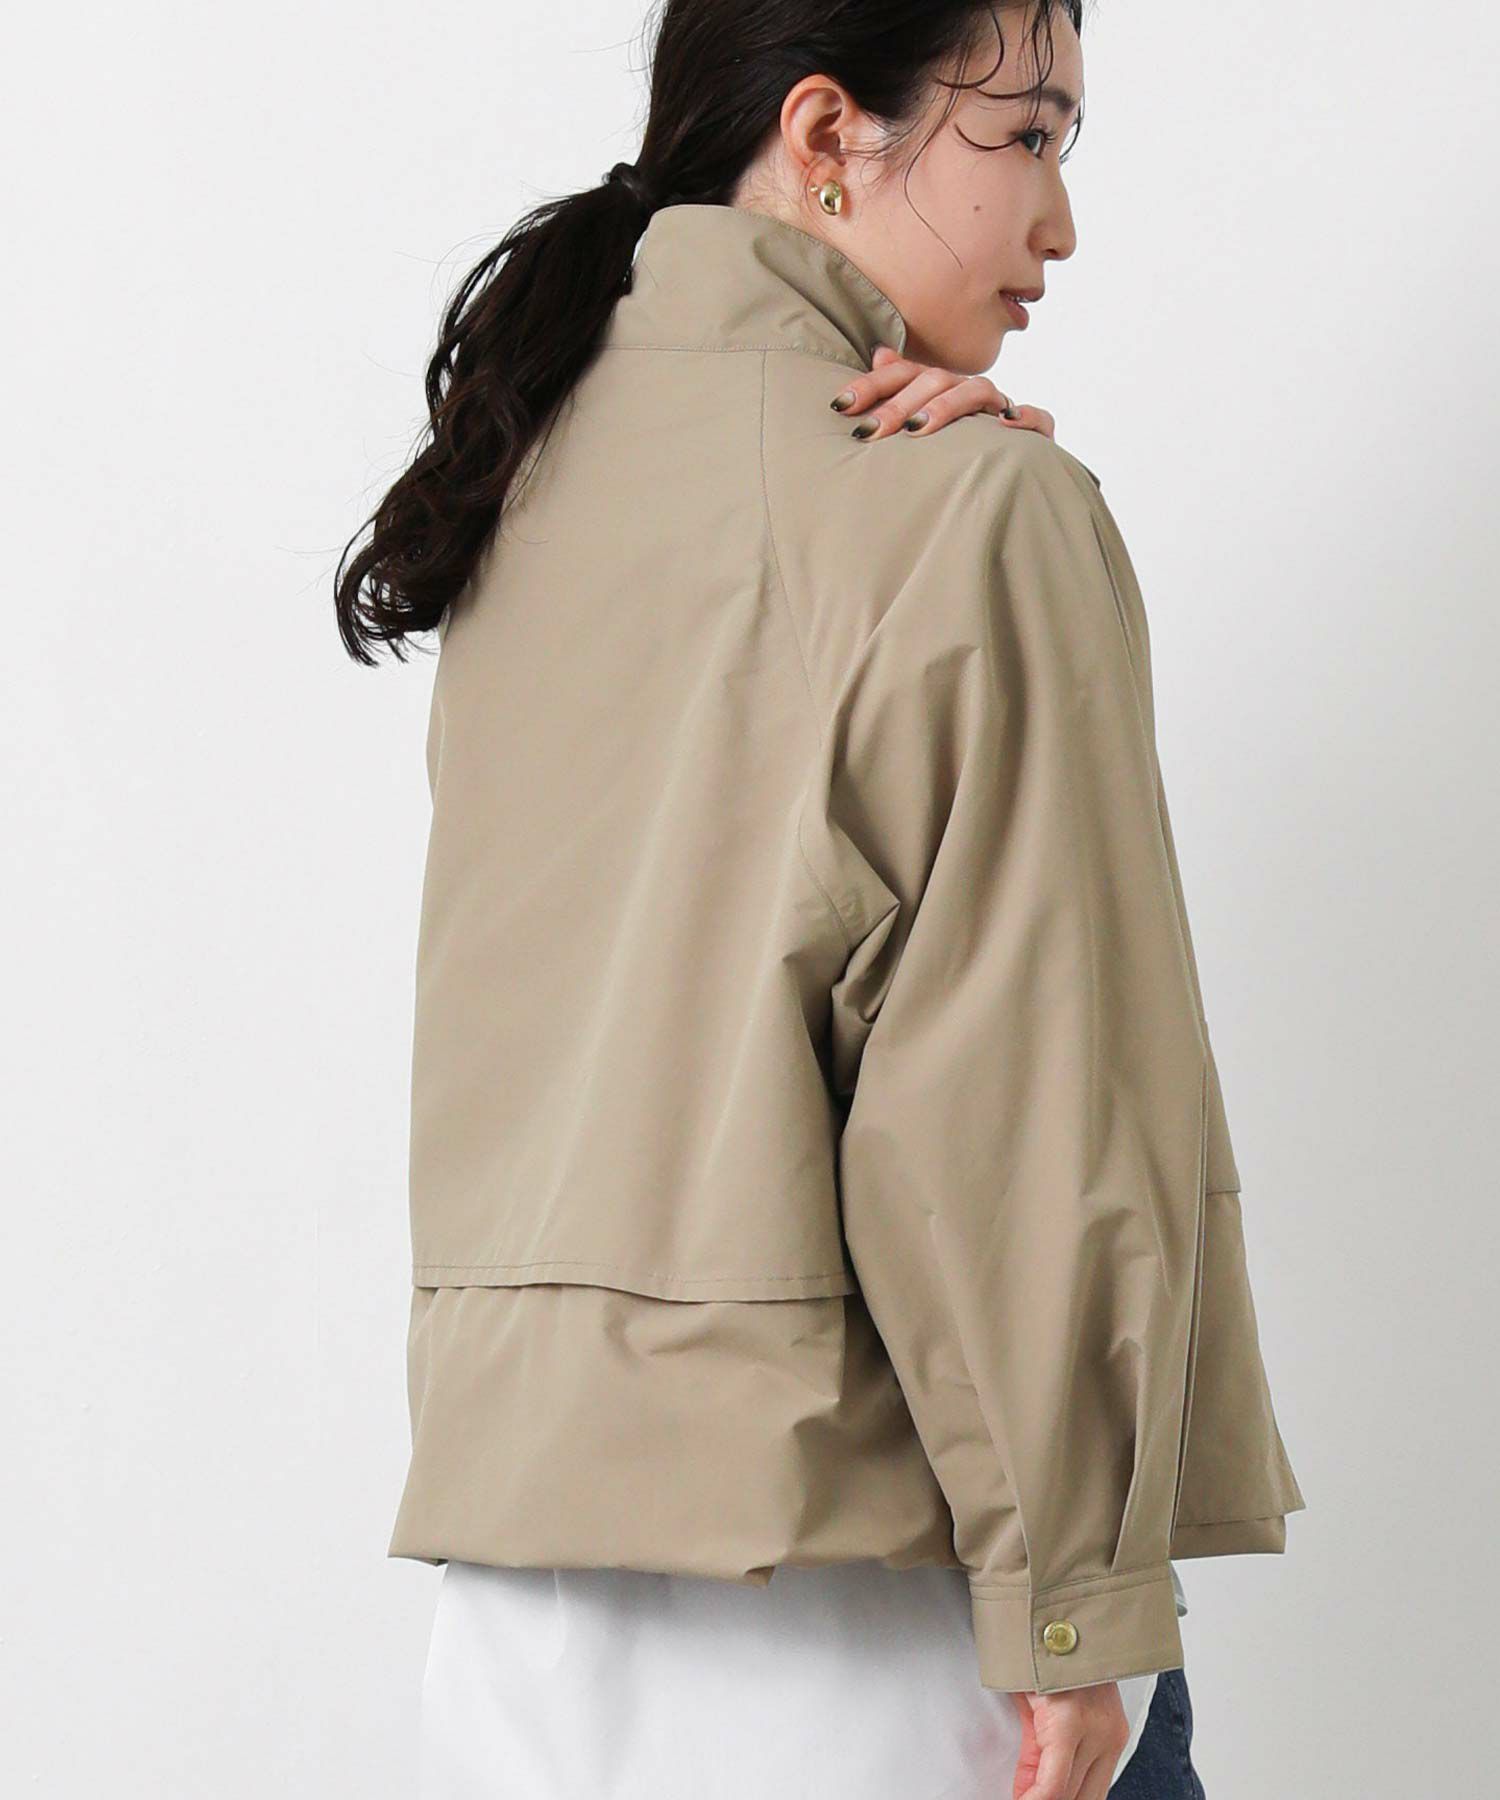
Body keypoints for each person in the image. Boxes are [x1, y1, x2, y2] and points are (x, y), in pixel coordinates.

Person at [334, 3, 1306, 1795]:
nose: (1059, 219)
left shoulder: (520, 487)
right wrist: (1076, 1605)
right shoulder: (969, 514)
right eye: (1027, 135)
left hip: (520, 1644)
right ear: (828, 133)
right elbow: (1018, 1118)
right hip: (875, 1636)